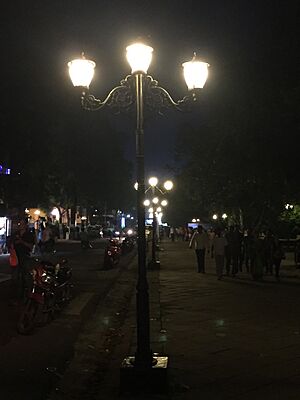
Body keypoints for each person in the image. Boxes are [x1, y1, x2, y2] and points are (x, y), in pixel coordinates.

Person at [10, 219, 35, 302]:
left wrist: (22, 242)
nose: (20, 225)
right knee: (15, 278)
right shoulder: (15, 234)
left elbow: (31, 247)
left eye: (22, 224)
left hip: (25, 257)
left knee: (25, 277)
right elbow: (11, 244)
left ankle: (25, 295)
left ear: (26, 225)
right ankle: (15, 296)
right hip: (16, 258)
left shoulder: (29, 235)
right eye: (19, 224)